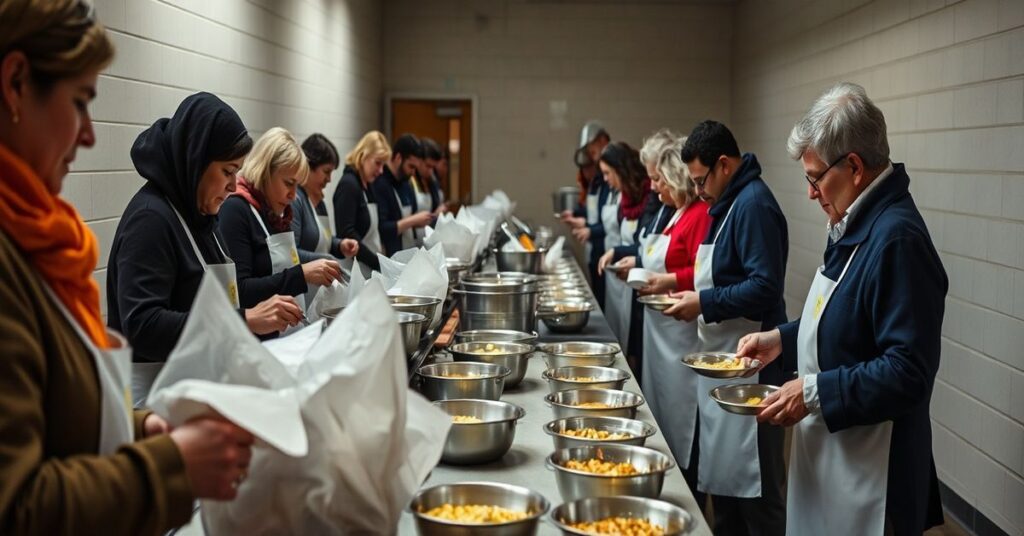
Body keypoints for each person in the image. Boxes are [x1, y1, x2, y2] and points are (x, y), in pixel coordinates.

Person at [0, 2, 253, 533]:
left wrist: (143, 430)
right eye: (80, 102)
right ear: (16, 83)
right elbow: (19, 506)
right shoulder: (145, 220)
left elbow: (62, 417)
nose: (89, 135)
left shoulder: (38, 239)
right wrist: (171, 463)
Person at [737, 83, 948, 536]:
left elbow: (908, 372)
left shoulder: (898, 240)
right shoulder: (854, 220)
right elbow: (839, 319)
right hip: (833, 459)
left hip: (872, 476)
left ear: (853, 166)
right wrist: (782, 340)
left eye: (815, 178)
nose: (811, 193)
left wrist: (812, 392)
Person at [109, 93, 304, 405]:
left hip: (196, 383)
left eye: (237, 172)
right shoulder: (151, 219)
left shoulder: (199, 214)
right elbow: (143, 325)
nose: (232, 184)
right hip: (154, 398)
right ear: (196, 160)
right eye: (227, 171)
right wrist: (243, 320)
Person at [666, 120, 788, 535]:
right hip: (728, 363)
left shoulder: (753, 205)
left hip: (754, 369)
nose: (698, 192)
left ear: (723, 164)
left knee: (758, 492)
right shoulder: (729, 203)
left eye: (701, 180)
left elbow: (764, 287)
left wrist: (704, 302)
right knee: (730, 489)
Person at [631, 133, 711, 507]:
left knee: (682, 419)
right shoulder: (676, 212)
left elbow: (700, 274)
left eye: (661, 179)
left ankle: (686, 490)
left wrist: (667, 281)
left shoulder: (697, 216)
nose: (654, 187)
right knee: (661, 411)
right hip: (660, 333)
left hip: (680, 336)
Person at [218, 127, 341, 337]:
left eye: (297, 186)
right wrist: (301, 274)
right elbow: (240, 291)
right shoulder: (236, 210)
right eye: (288, 184)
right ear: (265, 172)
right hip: (258, 344)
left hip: (287, 338)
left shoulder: (277, 214)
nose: (293, 195)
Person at [597, 131, 671, 375]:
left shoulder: (657, 201)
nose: (606, 180)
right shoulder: (632, 198)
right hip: (634, 280)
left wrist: (630, 256)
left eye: (608, 173)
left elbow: (650, 247)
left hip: (656, 295)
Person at [593, 141, 650, 354]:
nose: (606, 180)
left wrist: (619, 252)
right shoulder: (625, 198)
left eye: (608, 173)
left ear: (621, 169)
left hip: (640, 277)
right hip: (622, 274)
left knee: (634, 340)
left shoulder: (648, 197)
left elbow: (646, 245)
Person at [291, 133, 359, 302]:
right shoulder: (295, 201)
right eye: (326, 172)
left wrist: (339, 245)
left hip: (321, 291)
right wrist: (324, 259)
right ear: (308, 166)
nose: (329, 179)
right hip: (304, 293)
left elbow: (324, 239)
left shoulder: (318, 200)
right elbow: (291, 252)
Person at [560, 121, 611, 306]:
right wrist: (574, 214)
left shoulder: (608, 184)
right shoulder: (596, 183)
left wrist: (590, 229)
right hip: (595, 252)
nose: (587, 173)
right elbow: (591, 212)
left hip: (608, 253)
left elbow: (611, 223)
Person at [334, 130, 390, 271]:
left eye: (383, 165)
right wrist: (378, 263)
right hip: (355, 269)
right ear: (363, 155)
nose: (381, 170)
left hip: (368, 268)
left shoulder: (367, 184)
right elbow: (347, 233)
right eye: (378, 163)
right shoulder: (349, 185)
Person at [371, 133, 432, 255]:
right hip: (389, 257)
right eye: (411, 166)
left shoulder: (406, 183)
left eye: (415, 168)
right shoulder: (380, 183)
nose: (413, 172)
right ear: (398, 158)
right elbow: (382, 229)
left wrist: (420, 221)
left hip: (407, 252)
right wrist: (413, 221)